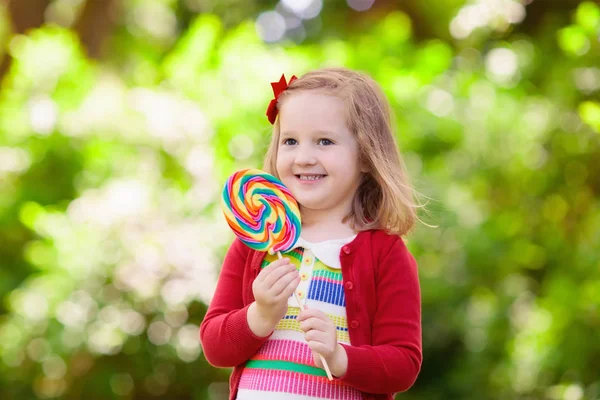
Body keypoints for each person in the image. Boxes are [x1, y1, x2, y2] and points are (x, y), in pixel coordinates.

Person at [200, 67, 422, 400]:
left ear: (365, 155)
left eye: (324, 141)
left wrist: (340, 356)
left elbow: (403, 363)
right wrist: (260, 315)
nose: (304, 157)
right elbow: (215, 346)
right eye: (290, 141)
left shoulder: (384, 253)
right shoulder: (257, 242)